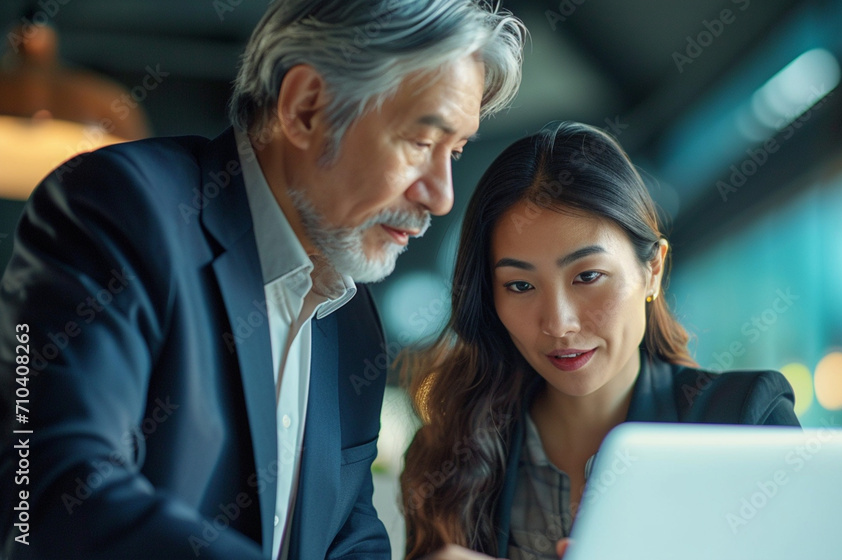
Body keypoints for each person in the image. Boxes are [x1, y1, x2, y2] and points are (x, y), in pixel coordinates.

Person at [0, 1, 524, 558]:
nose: (441, 196)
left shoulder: (350, 317)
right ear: (305, 107)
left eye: (456, 152)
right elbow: (52, 491)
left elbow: (346, 533)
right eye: (421, 143)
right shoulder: (119, 207)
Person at [400, 122, 800, 560]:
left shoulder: (744, 424)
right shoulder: (447, 457)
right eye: (519, 286)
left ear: (653, 270)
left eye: (588, 276)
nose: (558, 323)